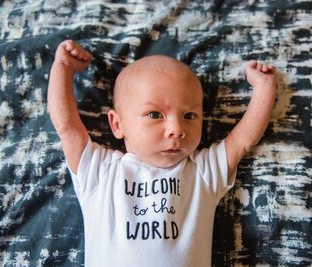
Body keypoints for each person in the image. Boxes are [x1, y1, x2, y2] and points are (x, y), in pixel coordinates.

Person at [47, 40, 276, 267]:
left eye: (189, 116)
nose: (177, 130)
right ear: (117, 125)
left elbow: (244, 139)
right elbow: (67, 127)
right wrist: (63, 68)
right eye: (155, 115)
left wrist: (264, 88)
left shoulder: (203, 172)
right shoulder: (101, 172)